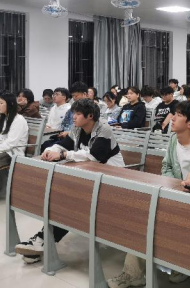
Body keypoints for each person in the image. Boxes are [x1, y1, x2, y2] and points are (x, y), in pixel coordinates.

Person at [108, 102, 190, 288]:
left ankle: (179, 265)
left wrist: (183, 191)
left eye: (179, 115)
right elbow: (166, 165)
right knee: (145, 219)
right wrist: (173, 186)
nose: (172, 118)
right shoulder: (174, 139)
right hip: (174, 194)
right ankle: (133, 273)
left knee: (157, 223)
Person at [16, 99, 125, 265]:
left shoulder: (104, 129)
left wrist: (63, 155)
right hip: (92, 177)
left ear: (90, 116)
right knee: (66, 202)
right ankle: (41, 241)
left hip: (113, 180)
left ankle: (41, 241)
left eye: (78, 114)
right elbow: (64, 144)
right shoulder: (78, 129)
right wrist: (51, 150)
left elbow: (95, 156)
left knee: (72, 205)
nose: (73, 117)